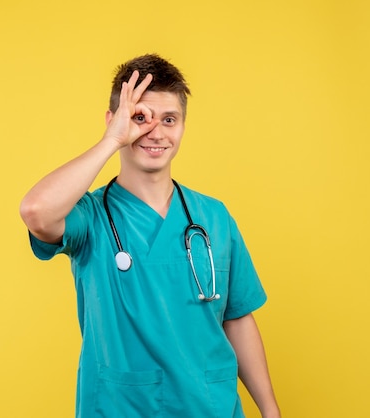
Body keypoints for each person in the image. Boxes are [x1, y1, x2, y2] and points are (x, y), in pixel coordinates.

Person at [19, 54, 280, 418]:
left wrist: (270, 412)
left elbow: (237, 319)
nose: (156, 132)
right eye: (140, 118)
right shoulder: (90, 217)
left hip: (212, 407)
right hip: (120, 408)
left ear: (183, 126)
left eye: (169, 120)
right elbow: (35, 211)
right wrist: (112, 140)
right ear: (116, 120)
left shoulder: (214, 218)